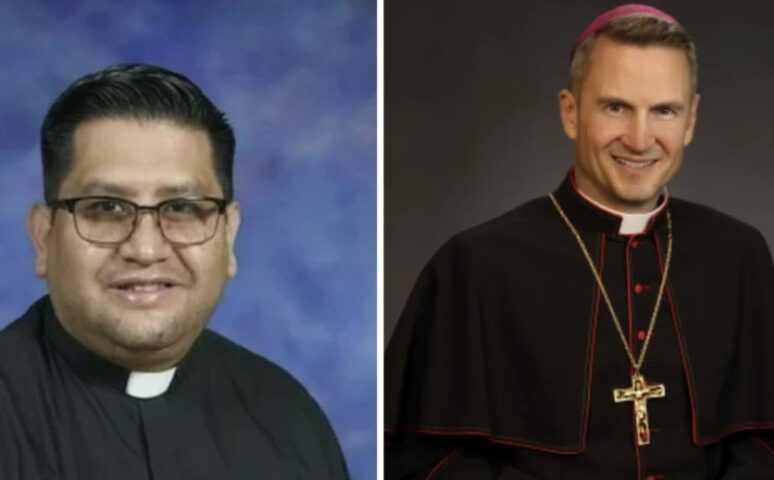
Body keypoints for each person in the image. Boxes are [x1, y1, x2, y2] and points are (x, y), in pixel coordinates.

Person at [386, 4, 774, 479]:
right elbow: (426, 463)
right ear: (570, 113)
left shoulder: (738, 255)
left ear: (690, 120)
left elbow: (763, 443)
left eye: (664, 111)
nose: (639, 138)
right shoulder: (477, 266)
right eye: (616, 107)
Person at [0, 64, 350, 479]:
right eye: (106, 208)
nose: (145, 249)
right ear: (44, 238)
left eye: (182, 208)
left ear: (229, 235)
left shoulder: (289, 418)